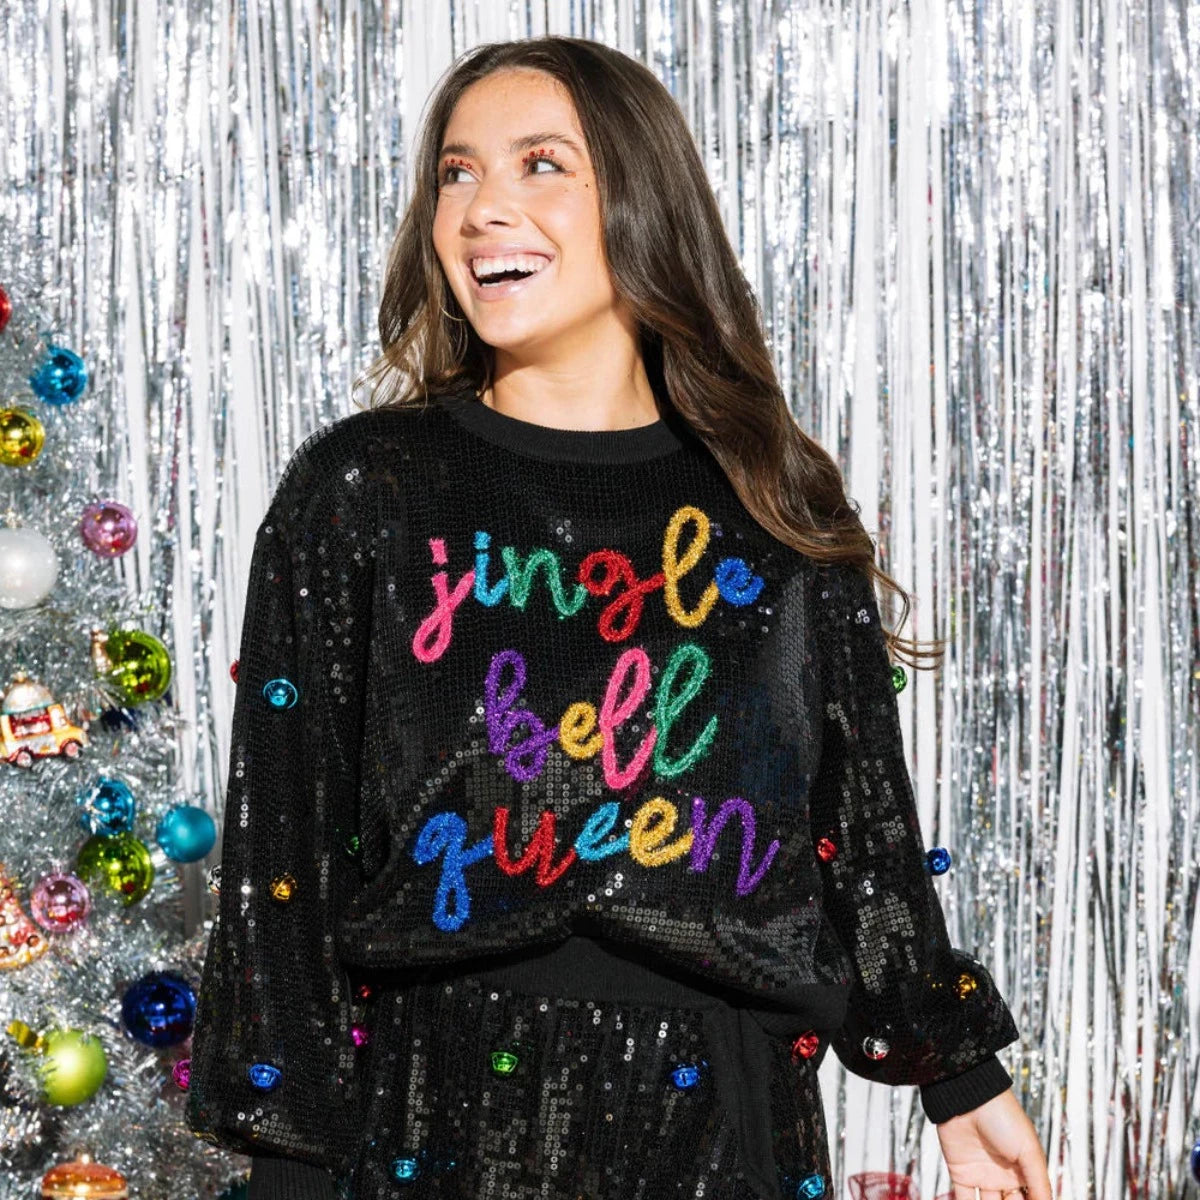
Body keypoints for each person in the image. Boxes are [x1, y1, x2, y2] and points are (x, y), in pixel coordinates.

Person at [186, 34, 1051, 1200]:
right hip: (436, 1111)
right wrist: (287, 1158)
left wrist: (957, 1072)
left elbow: (857, 818)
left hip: (723, 1117)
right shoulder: (367, 490)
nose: (484, 208)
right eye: (455, 173)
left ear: (642, 199)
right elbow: (283, 843)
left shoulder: (770, 502)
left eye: (541, 164)